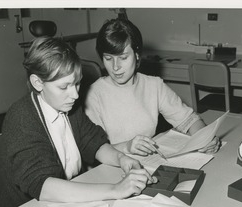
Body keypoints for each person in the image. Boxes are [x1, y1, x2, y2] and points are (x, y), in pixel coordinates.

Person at [0, 36, 155, 207]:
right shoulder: (22, 118)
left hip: (62, 206)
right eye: (64, 87)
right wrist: (116, 190)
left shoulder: (68, 107)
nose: (75, 95)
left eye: (77, 83)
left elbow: (93, 142)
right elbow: (44, 186)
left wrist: (121, 159)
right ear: (38, 83)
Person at [85, 18, 220, 156]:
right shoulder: (94, 94)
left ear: (137, 55)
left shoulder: (153, 86)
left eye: (123, 58)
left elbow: (189, 119)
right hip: (108, 169)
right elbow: (94, 148)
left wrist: (205, 138)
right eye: (108, 58)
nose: (115, 67)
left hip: (147, 164)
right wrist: (127, 147)